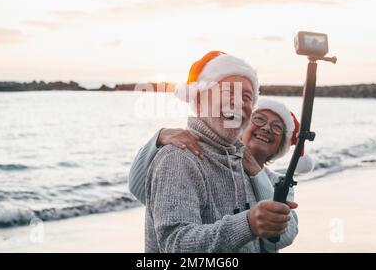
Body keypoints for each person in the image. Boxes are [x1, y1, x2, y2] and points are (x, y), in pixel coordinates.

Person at [132, 51, 308, 252]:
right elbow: (176, 244)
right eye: (227, 92)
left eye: (247, 97)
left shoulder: (244, 165)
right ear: (198, 100)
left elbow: (281, 237)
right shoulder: (178, 157)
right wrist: (248, 224)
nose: (239, 102)